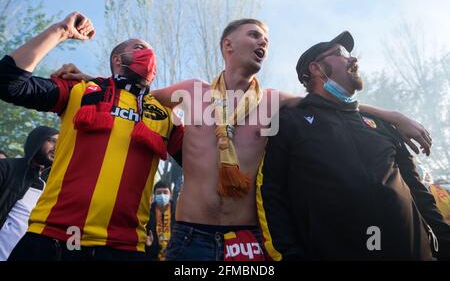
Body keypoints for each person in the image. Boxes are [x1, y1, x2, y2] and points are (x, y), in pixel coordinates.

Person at [55, 19, 433, 261]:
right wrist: (87, 78)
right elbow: (134, 96)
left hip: (249, 240)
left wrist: (392, 116)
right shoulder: (191, 91)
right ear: (228, 45)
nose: (263, 41)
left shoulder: (273, 102)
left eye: (267, 38)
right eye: (254, 34)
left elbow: (335, 103)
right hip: (190, 239)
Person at [0, 11, 183, 261]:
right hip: (50, 240)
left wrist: (194, 95)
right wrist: (60, 31)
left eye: (153, 54)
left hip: (125, 250)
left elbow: (203, 166)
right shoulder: (81, 90)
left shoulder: (164, 115)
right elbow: (9, 83)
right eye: (140, 47)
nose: (149, 55)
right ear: (118, 59)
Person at [257, 31, 450, 260]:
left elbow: (418, 191)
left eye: (351, 54)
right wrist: (292, 255)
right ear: (316, 69)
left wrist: (445, 244)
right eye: (341, 54)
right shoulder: (289, 123)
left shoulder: (383, 125)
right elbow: (273, 195)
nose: (353, 59)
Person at [0, 126, 58, 260]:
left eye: (60, 143)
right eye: (52, 141)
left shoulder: (46, 186)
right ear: (37, 141)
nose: (57, 147)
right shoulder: (6, 168)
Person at [145, 180, 176, 260]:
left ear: (171, 195)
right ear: (154, 196)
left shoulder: (178, 213)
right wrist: (148, 245)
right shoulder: (147, 214)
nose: (162, 195)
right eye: (159, 193)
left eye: (165, 192)